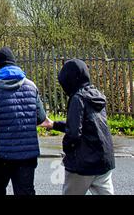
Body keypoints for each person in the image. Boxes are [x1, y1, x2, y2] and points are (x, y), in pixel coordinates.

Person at [0, 47, 50, 195]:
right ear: (14, 64)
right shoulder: (31, 86)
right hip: (27, 155)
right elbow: (40, 117)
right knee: (25, 192)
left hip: (1, 155)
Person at [42, 58, 115, 195]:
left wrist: (68, 150)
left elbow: (74, 133)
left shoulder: (78, 98)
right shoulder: (96, 95)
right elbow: (87, 125)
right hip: (104, 159)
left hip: (84, 163)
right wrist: (54, 125)